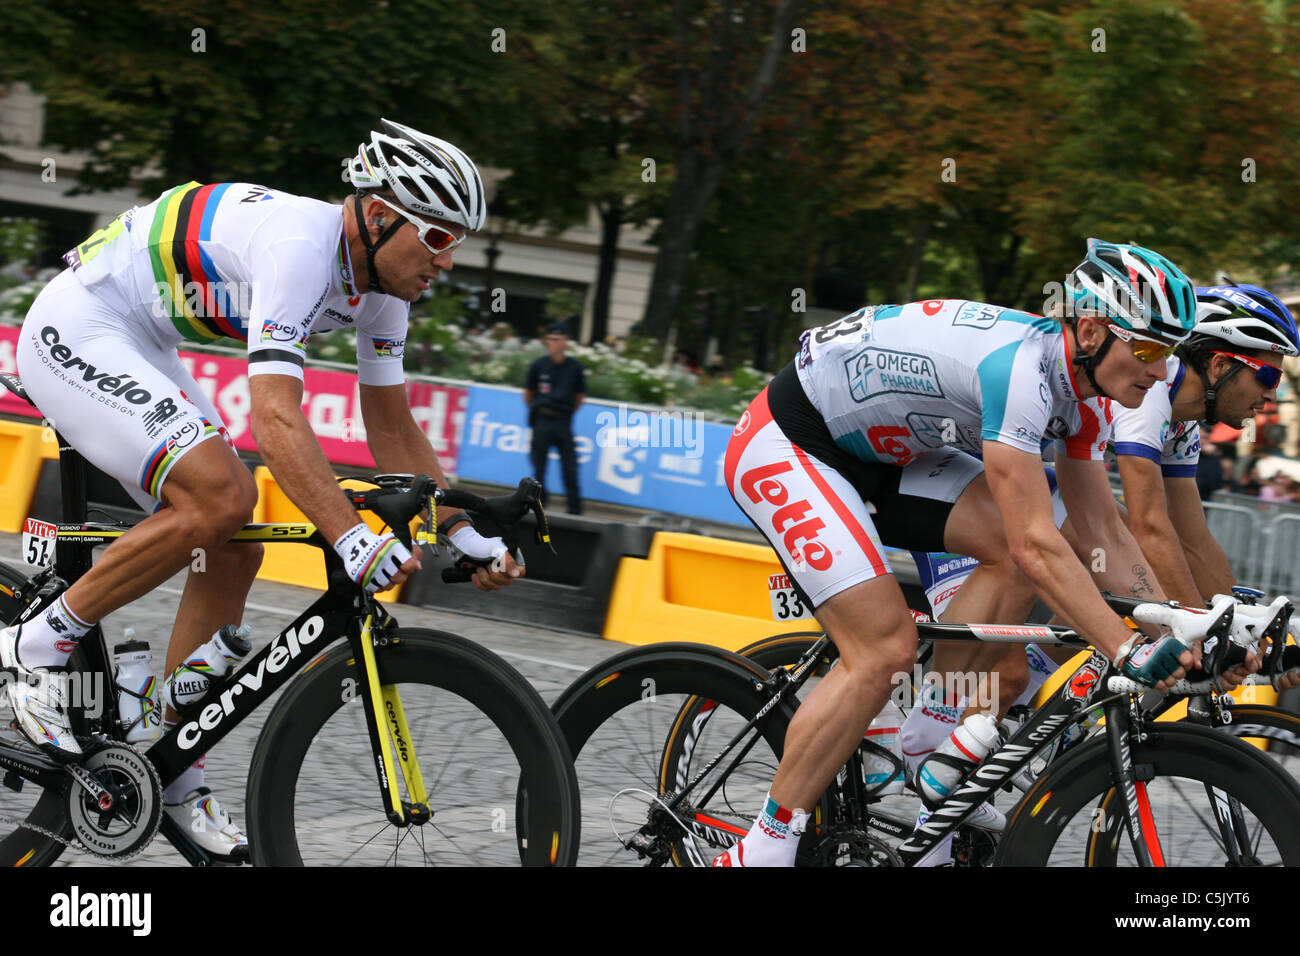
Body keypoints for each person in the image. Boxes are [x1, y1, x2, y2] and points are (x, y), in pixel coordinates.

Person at [0, 119, 521, 859]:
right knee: (222, 498)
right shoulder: (302, 248)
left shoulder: (384, 290)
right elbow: (274, 415)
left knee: (234, 547)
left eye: (456, 242)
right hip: (80, 325)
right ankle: (36, 643)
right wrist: (348, 534)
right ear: (379, 216)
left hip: (141, 338)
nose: (447, 259)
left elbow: (392, 428)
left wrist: (465, 536)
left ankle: (170, 770)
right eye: (437, 237)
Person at [714, 238, 1220, 867]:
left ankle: (932, 730)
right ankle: (761, 848)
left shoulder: (1088, 393)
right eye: (1147, 349)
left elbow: (1100, 531)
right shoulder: (1020, 373)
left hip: (886, 454)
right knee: (884, 649)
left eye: (1169, 354)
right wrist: (1124, 648)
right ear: (1091, 329)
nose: (1159, 370)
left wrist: (1177, 620)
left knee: (1023, 544)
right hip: (793, 442)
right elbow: (1038, 544)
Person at [524, 319, 586, 514]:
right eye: (549, 339)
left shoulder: (575, 368)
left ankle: (575, 510)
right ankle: (540, 507)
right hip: (542, 419)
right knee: (539, 468)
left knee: (570, 469)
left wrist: (563, 412)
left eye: (556, 339)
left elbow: (579, 397)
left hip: (563, 421)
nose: (551, 343)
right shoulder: (538, 366)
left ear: (565, 342)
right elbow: (528, 394)